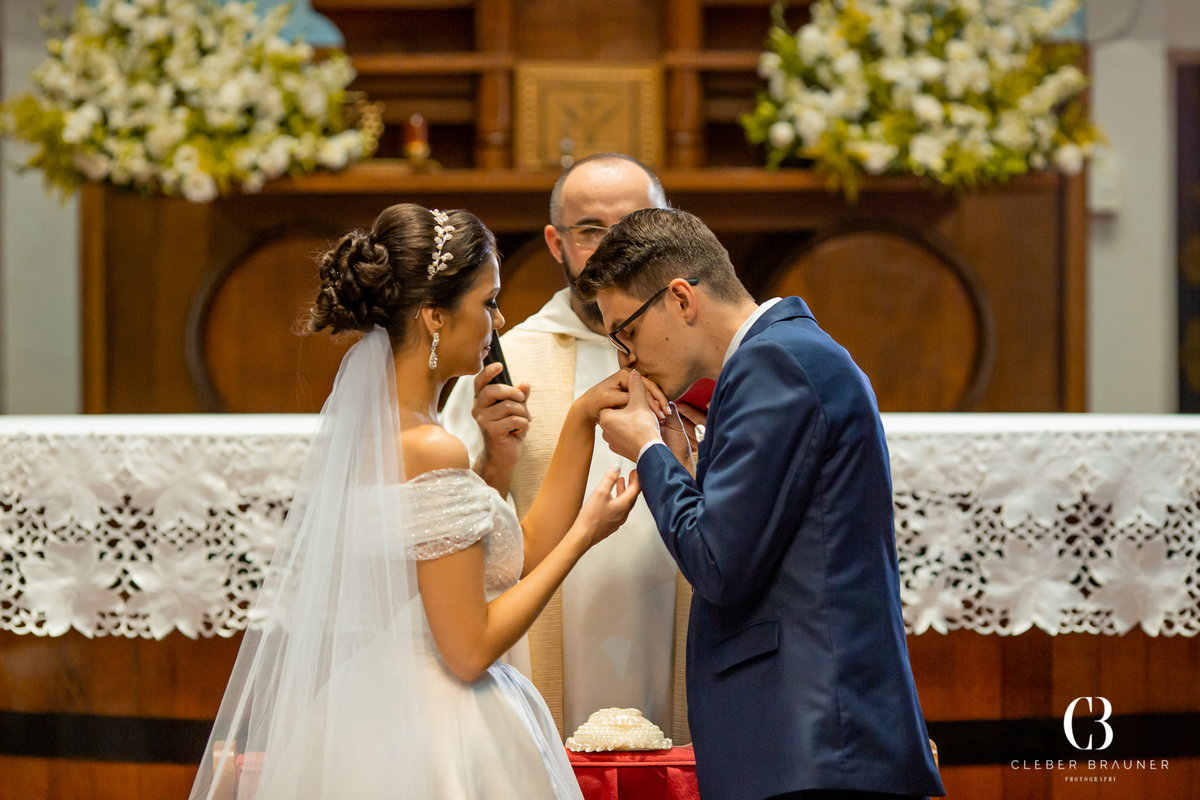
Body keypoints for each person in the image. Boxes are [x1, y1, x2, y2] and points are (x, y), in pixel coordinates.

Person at [188, 204, 644, 800]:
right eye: (487, 302)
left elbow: (515, 551)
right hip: (438, 726)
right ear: (434, 316)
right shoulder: (431, 447)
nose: (497, 320)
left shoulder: (387, 429)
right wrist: (586, 533)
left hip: (372, 705)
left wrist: (574, 421)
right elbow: (469, 650)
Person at [577, 208, 946, 800]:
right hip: (812, 737)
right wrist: (682, 460)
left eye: (626, 331)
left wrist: (649, 450)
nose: (626, 358)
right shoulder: (787, 355)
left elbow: (720, 564)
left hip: (812, 742)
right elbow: (767, 534)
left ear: (680, 299)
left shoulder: (772, 363)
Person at [440, 153, 687, 740]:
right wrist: (493, 464)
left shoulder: (701, 354)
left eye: (633, 224)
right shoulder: (509, 360)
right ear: (556, 242)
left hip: (674, 609)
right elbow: (451, 523)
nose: (614, 247)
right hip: (549, 624)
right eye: (590, 231)